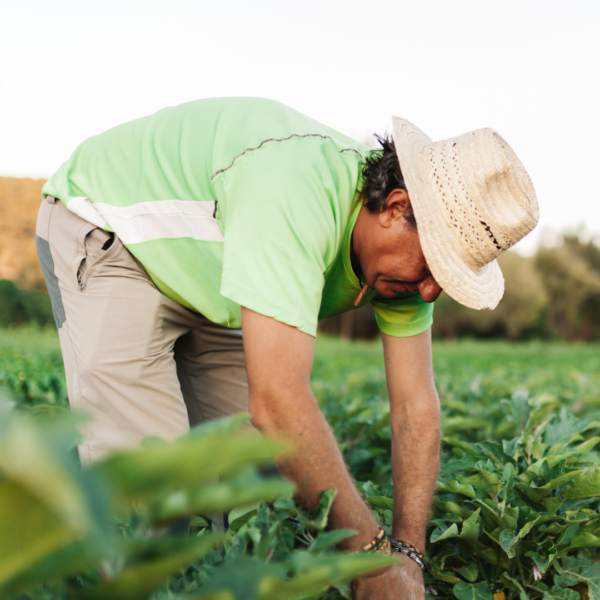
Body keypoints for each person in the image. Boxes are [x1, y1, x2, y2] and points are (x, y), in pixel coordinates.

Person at [36, 97, 538, 599]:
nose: (431, 291)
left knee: (251, 483)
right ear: (397, 207)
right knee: (154, 493)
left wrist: (407, 555)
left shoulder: (401, 268)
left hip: (213, 279)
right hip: (109, 230)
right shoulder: (295, 194)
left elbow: (415, 408)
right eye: (434, 267)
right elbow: (278, 403)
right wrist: (370, 558)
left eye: (447, 279)